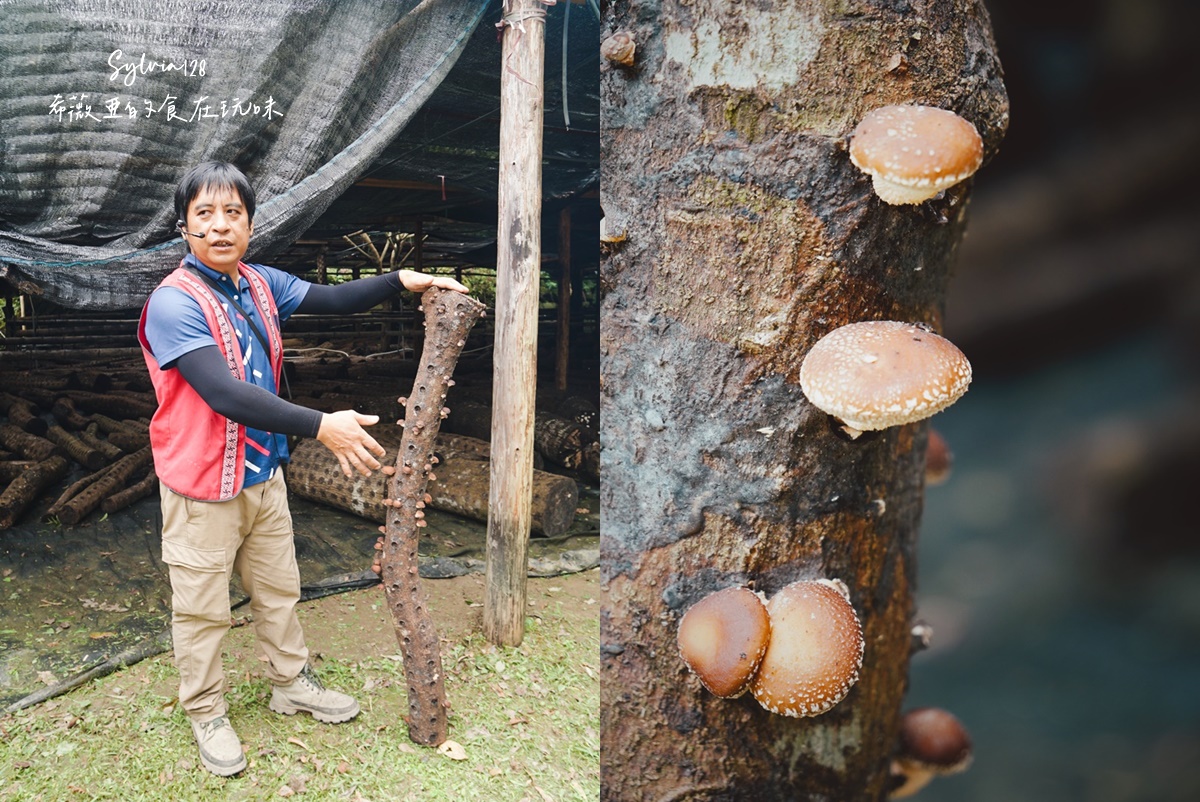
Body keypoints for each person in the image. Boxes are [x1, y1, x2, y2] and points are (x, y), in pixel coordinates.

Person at [138, 161, 468, 777]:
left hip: (262, 474)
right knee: (203, 606)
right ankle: (206, 710)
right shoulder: (172, 303)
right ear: (184, 228)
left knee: (279, 590)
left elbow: (334, 298)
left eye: (232, 213)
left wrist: (401, 279)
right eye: (204, 214)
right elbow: (224, 393)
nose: (219, 226)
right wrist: (322, 424)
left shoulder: (260, 283)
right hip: (201, 484)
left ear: (250, 223)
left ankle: (290, 682)